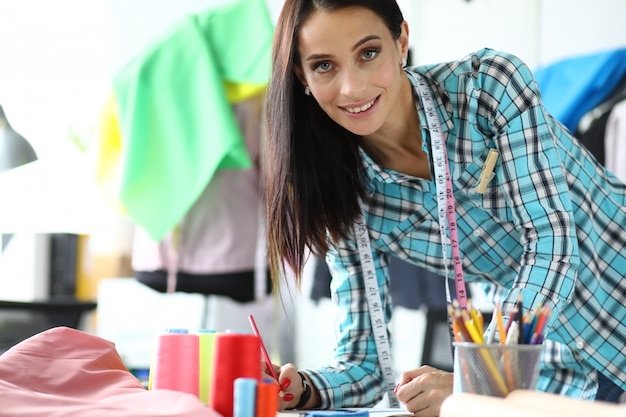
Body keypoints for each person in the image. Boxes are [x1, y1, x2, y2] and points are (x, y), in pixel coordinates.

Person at [262, 0, 626, 415]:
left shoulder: (488, 89)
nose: (353, 88)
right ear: (301, 75)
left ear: (401, 41)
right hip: (561, 376)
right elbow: (364, 365)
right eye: (324, 65)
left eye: (368, 53)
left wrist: (477, 383)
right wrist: (303, 388)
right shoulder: (342, 192)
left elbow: (551, 242)